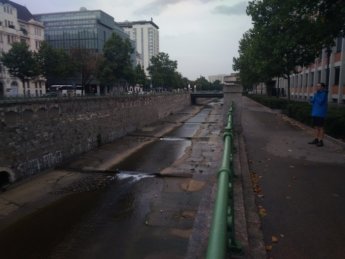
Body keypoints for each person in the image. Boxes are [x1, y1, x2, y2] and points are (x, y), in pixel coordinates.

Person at [308, 82, 328, 147]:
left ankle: (321, 141)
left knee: (321, 127)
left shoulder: (324, 93)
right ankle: (316, 139)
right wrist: (310, 100)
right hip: (315, 112)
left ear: (322, 87)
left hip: (321, 113)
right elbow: (312, 101)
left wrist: (315, 95)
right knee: (316, 127)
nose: (317, 87)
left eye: (318, 86)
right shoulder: (317, 94)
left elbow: (320, 102)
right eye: (316, 86)